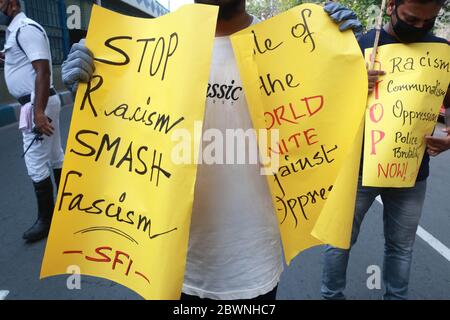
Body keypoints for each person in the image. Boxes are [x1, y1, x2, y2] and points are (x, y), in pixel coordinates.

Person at [61, 0, 362, 300]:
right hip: (168, 261)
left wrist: (341, 52)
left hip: (251, 265)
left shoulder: (292, 48)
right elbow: (125, 136)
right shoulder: (150, 49)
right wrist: (92, 94)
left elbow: (329, 122)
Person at [321, 0, 449, 300]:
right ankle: (331, 296)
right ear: (391, 6)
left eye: (427, 23)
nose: (418, 28)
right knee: (339, 241)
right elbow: (325, 103)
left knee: (401, 247)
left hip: (411, 173)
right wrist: (351, 83)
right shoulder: (362, 44)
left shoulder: (442, 53)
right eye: (411, 19)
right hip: (358, 171)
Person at [0, 0, 64, 242]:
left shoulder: (26, 28)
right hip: (41, 102)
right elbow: (26, 63)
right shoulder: (16, 31)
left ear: (12, 3)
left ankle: (46, 221)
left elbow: (43, 71)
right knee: (56, 156)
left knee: (35, 162)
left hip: (37, 103)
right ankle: (66, 208)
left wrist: (38, 112)